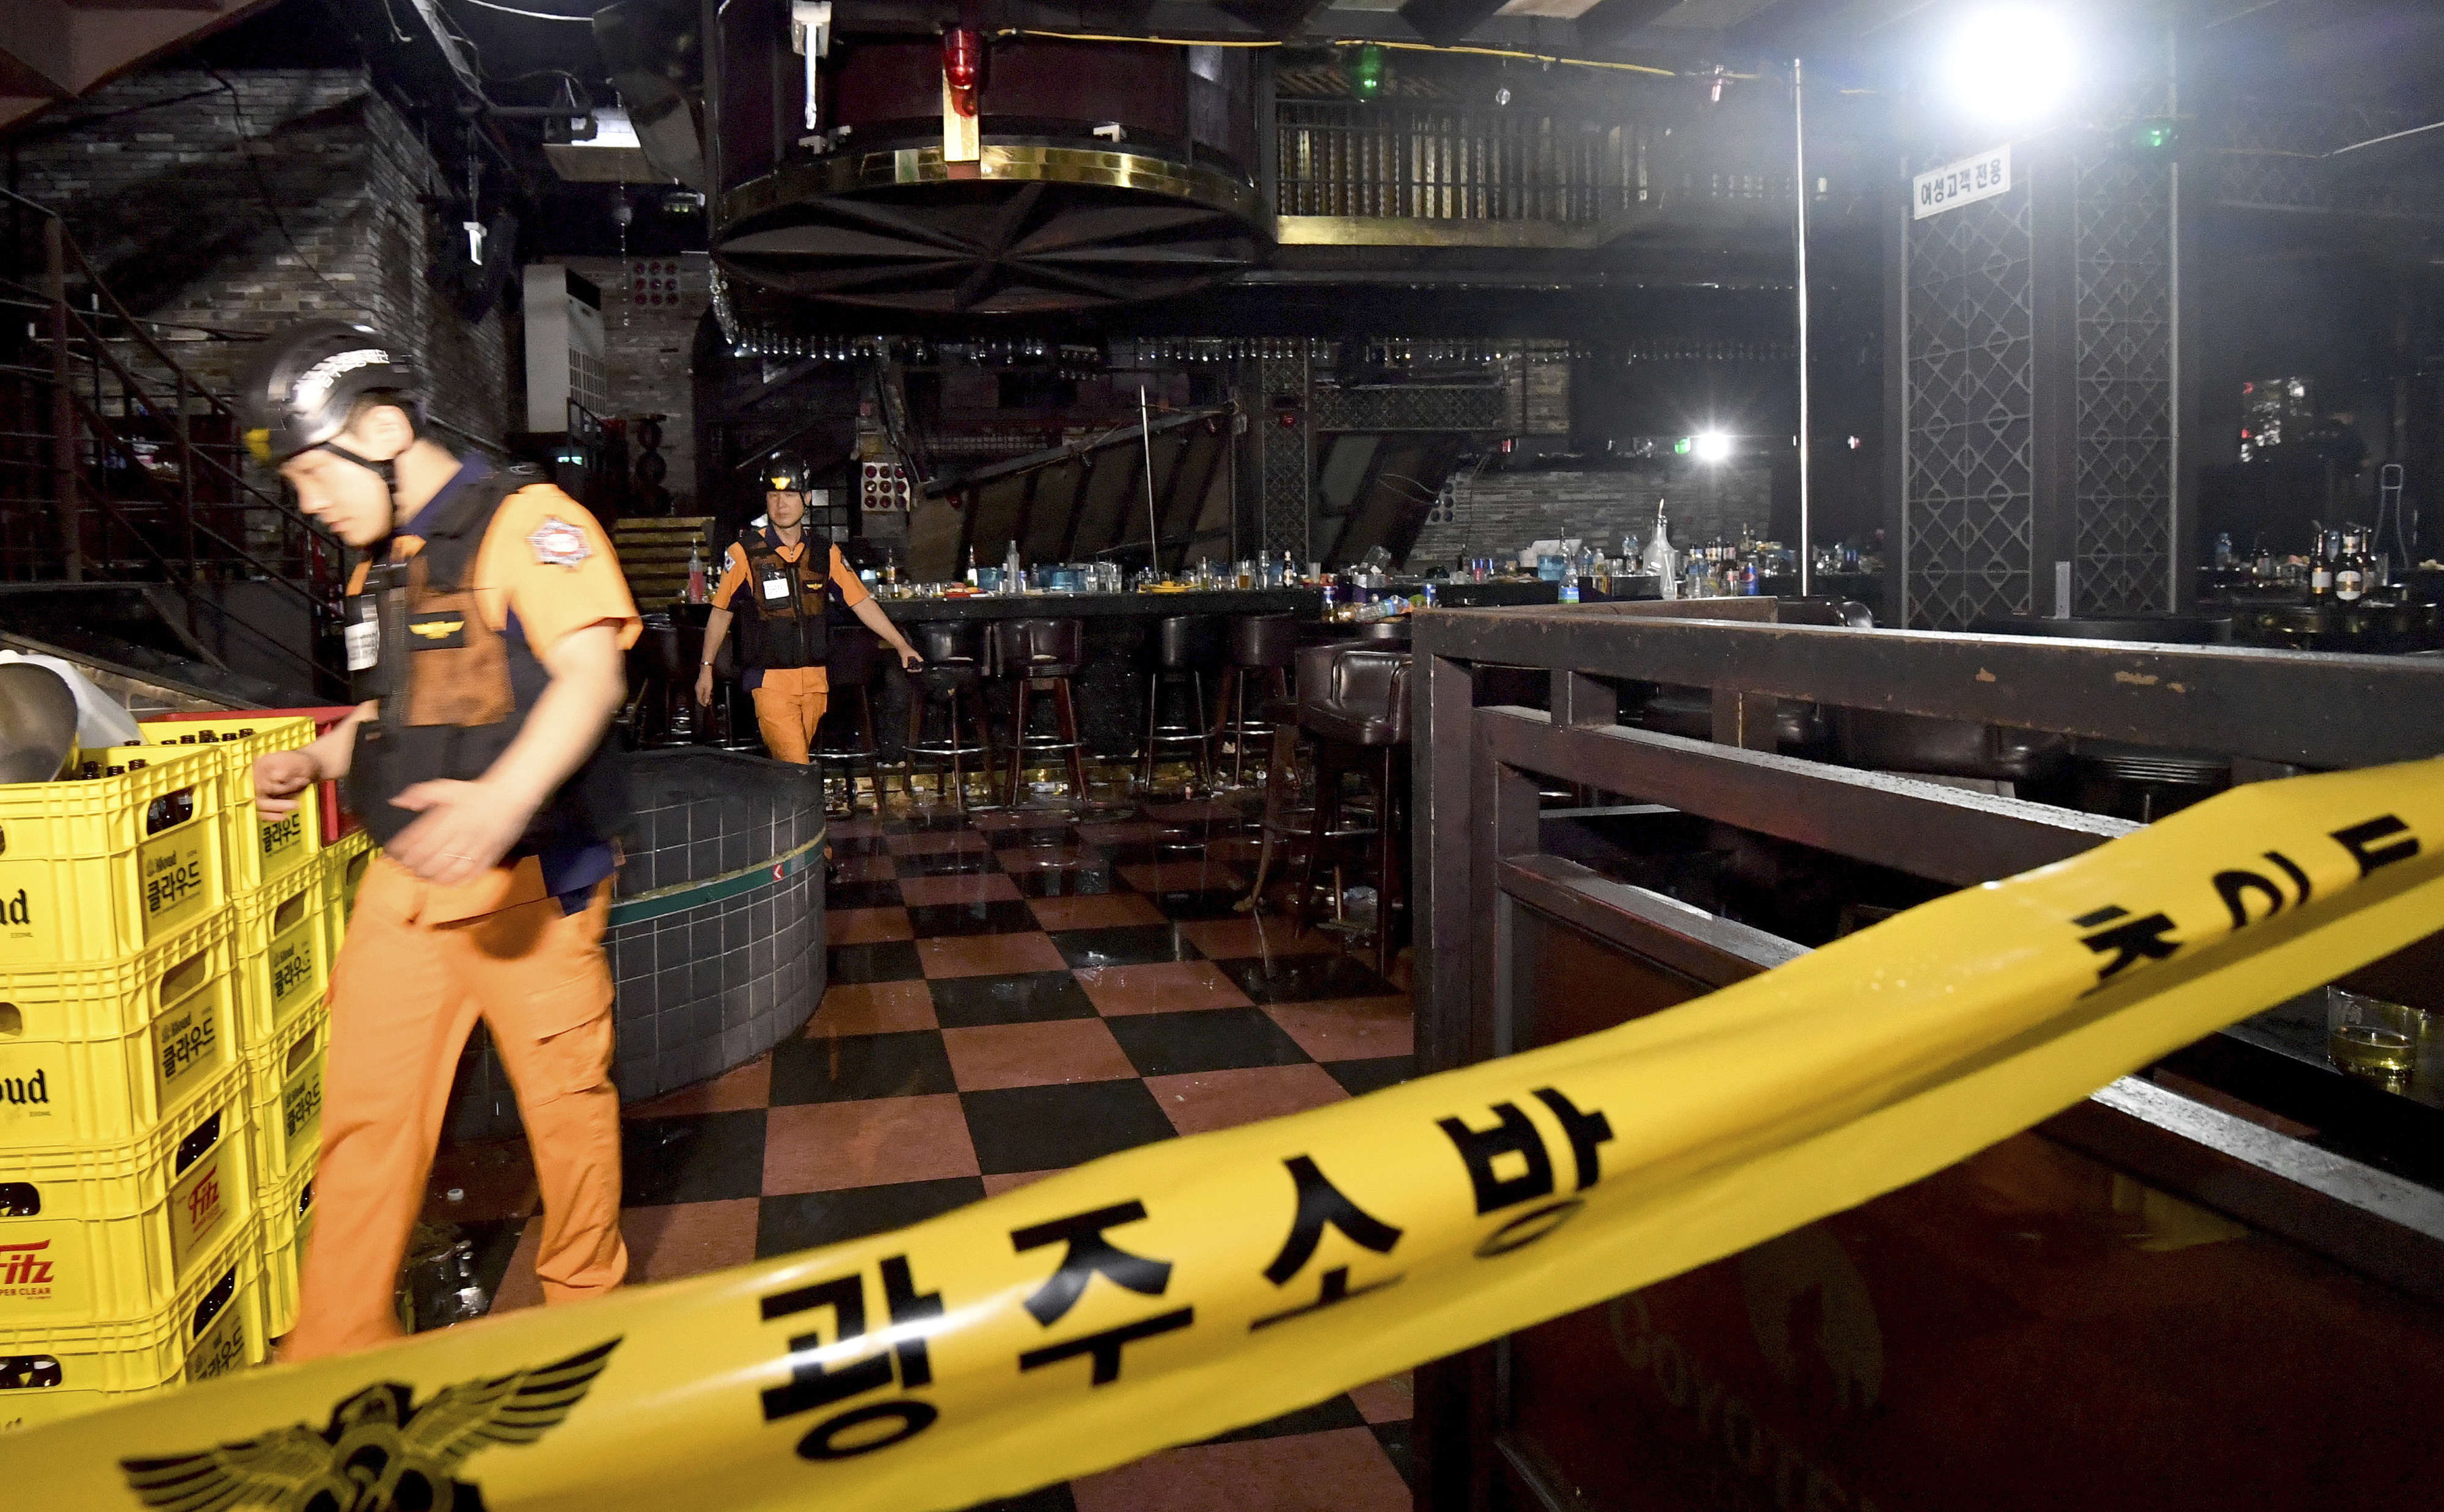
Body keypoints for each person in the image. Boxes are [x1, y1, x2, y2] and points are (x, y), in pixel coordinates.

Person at [238, 321, 637, 1361]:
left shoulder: (530, 523)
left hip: (533, 887)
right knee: (367, 1119)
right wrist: (322, 761)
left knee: (566, 1117)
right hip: (410, 886)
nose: (308, 504)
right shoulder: (389, 565)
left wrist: (504, 801)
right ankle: (332, 1348)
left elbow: (593, 675)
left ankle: (586, 1330)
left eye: (313, 475)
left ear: (379, 429)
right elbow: (402, 712)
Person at [695, 453, 922, 762]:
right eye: (773, 495)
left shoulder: (824, 552)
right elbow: (721, 612)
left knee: (792, 767)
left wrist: (901, 645)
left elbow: (861, 602)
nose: (781, 504)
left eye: (790, 495)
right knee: (796, 764)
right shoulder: (745, 553)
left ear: (807, 498)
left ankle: (780, 809)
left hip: (815, 681)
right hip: (769, 681)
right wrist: (706, 669)